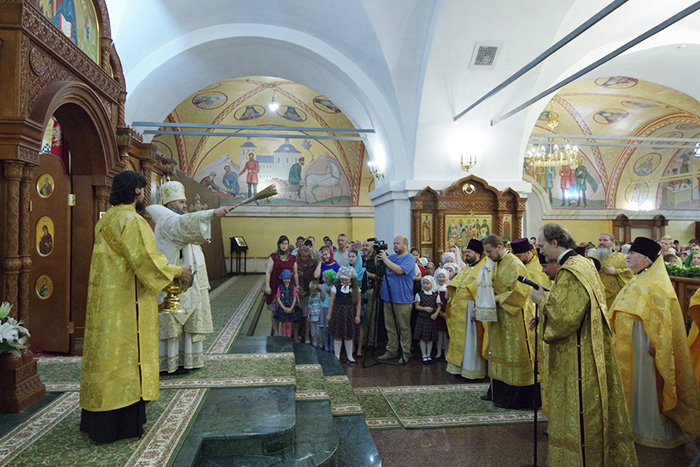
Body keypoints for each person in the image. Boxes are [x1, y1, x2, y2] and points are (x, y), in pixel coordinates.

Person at [80, 171, 192, 443]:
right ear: (137, 192)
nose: (146, 196)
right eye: (145, 190)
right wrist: (179, 271)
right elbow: (147, 262)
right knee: (125, 356)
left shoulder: (106, 220)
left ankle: (96, 420)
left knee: (106, 355)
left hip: (105, 304)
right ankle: (122, 424)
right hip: (125, 306)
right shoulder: (133, 221)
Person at [530, 223, 637, 466]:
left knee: (576, 411)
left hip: (577, 353)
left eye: (543, 245)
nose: (541, 250)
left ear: (555, 243)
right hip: (589, 344)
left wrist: (541, 302)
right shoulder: (583, 264)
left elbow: (565, 318)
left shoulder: (570, 271)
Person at [609, 236, 700, 447]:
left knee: (646, 386)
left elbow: (665, 320)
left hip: (643, 345)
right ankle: (631, 426)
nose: (628, 256)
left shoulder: (656, 284)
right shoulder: (635, 279)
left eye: (632, 253)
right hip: (628, 344)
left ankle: (648, 430)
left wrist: (655, 341)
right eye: (628, 252)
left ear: (646, 259)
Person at [146, 181, 229, 374]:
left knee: (189, 323)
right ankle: (171, 363)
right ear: (170, 204)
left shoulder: (176, 220)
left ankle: (188, 360)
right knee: (173, 321)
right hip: (174, 282)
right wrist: (212, 213)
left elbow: (192, 230)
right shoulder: (167, 222)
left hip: (191, 281)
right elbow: (184, 225)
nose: (186, 205)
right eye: (182, 202)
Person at [481, 234, 538, 409]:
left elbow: (521, 292)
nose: (488, 255)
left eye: (489, 251)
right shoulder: (498, 263)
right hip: (500, 318)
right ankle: (499, 393)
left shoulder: (515, 264)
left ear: (499, 247)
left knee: (515, 354)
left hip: (515, 319)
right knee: (500, 354)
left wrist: (496, 299)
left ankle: (518, 399)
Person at [445, 239, 487, 379]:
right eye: (466, 252)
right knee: (459, 339)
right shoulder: (467, 268)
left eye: (469, 252)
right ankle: (458, 368)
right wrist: (452, 303)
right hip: (459, 309)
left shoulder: (484, 268)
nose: (466, 254)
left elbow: (483, 291)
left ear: (477, 253)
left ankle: (471, 371)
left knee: (471, 341)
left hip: (471, 310)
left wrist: (478, 309)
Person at [377, 236, 416, 364]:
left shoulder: (409, 258)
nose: (395, 245)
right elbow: (383, 268)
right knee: (390, 326)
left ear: (405, 245)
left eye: (398, 243)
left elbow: (400, 270)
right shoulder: (392, 258)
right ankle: (392, 350)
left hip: (403, 299)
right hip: (388, 297)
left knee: (404, 327)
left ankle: (405, 352)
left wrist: (385, 259)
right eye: (394, 243)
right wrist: (380, 259)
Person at [589, 232, 633, 311]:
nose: (602, 242)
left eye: (605, 240)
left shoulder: (623, 258)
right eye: (600, 240)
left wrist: (616, 271)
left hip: (614, 299)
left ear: (612, 243)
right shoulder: (591, 258)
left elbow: (632, 272)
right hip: (595, 298)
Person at [265, 235, 297, 336]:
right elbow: (268, 272)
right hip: (275, 287)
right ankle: (275, 331)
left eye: (286, 243)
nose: (284, 245)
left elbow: (295, 273)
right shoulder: (273, 257)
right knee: (274, 310)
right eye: (282, 243)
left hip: (288, 288)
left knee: (288, 310)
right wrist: (267, 286)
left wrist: (297, 286)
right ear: (279, 244)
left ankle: (287, 334)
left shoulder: (292, 258)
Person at [328, 266, 361, 364]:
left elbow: (358, 303)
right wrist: (329, 314)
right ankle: (336, 355)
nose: (344, 281)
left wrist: (357, 315)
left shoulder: (356, 289)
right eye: (342, 279)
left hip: (350, 313)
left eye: (346, 279)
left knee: (349, 335)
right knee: (337, 335)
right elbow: (332, 302)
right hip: (338, 312)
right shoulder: (336, 287)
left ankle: (349, 356)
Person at [414, 275, 440, 364]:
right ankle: (423, 354)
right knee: (422, 338)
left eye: (427, 283)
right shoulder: (419, 294)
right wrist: (425, 309)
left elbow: (439, 306)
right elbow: (417, 306)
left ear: (432, 284)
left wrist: (436, 314)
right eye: (424, 283)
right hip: (422, 318)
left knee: (430, 338)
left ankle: (428, 354)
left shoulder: (435, 295)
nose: (425, 285)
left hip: (431, 319)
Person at [295, 245, 318, 343]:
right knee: (296, 315)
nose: (304, 258)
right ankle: (296, 335)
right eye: (302, 256)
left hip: (309, 292)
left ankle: (307, 335)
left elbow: (315, 279)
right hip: (297, 291)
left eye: (306, 256)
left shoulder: (313, 264)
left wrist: (308, 292)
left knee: (307, 316)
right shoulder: (296, 263)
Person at [348, 249, 367, 358]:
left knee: (359, 325)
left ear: (357, 258)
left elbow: (364, 288)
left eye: (353, 256)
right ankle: (352, 347)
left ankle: (359, 348)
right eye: (349, 256)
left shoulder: (363, 271)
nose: (351, 259)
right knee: (350, 324)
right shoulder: (346, 270)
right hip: (348, 301)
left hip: (360, 300)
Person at [274, 269, 300, 338]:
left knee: (289, 324)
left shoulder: (293, 287)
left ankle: (288, 337)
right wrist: (283, 307)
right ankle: (284, 337)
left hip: (290, 307)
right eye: (284, 279)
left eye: (288, 279)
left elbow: (294, 298)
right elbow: (278, 298)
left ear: (290, 279)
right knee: (283, 324)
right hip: (283, 308)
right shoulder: (280, 287)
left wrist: (291, 307)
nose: (286, 280)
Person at [433, 269, 449, 360]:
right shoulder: (435, 288)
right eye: (440, 277)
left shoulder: (448, 288)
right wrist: (438, 312)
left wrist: (445, 312)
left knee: (446, 334)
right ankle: (439, 351)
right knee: (439, 334)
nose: (441, 279)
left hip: (446, 314)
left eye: (443, 277)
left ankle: (446, 351)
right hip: (438, 313)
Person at [319, 269, 336, 352]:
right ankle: (326, 346)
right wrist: (322, 291)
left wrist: (329, 292)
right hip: (323, 308)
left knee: (331, 329)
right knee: (324, 329)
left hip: (331, 309)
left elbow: (334, 299)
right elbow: (322, 299)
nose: (323, 279)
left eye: (324, 277)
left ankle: (332, 346)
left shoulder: (334, 287)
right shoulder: (323, 286)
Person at [307, 280, 324, 348]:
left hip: (318, 316)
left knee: (319, 332)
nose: (312, 292)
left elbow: (321, 305)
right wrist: (309, 315)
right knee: (313, 332)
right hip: (312, 316)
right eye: (311, 291)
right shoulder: (311, 297)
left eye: (313, 291)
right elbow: (310, 306)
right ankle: (314, 344)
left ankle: (320, 344)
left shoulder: (319, 296)